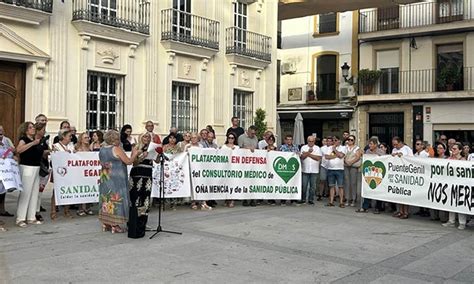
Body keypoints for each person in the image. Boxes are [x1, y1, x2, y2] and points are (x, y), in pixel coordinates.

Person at [98, 130, 139, 233]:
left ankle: (106, 223)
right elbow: (128, 161)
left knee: (106, 198)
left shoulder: (102, 149)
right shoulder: (116, 149)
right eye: (117, 138)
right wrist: (135, 154)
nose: (119, 140)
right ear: (113, 139)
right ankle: (115, 225)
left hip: (105, 177)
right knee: (116, 199)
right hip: (116, 178)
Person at [15, 122, 46, 227]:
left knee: (34, 193)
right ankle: (20, 218)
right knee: (26, 193)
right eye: (31, 128)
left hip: (36, 168)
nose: (33, 129)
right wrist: (33, 144)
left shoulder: (35, 140)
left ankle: (31, 217)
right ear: (26, 130)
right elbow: (18, 150)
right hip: (27, 167)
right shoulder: (24, 140)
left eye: (33, 127)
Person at [128, 133, 155, 238]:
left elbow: (156, 161)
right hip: (137, 175)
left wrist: (156, 154)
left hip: (147, 174)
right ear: (140, 138)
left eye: (148, 137)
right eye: (144, 136)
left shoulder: (151, 148)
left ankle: (142, 223)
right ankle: (133, 221)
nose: (146, 139)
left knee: (145, 199)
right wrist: (140, 157)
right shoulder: (136, 148)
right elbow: (133, 163)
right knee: (135, 198)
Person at [51, 129, 76, 220]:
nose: (71, 137)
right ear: (63, 136)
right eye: (69, 136)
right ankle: (53, 211)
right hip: (59, 171)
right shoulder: (56, 146)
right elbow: (54, 158)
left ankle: (67, 211)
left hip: (70, 171)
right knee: (56, 191)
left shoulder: (71, 145)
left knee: (68, 190)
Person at [442, 143, 468, 230]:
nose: (453, 150)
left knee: (460, 203)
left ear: (460, 150)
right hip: (451, 184)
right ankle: (451, 221)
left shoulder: (463, 160)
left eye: (455, 149)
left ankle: (462, 222)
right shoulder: (449, 159)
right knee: (451, 202)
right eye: (452, 149)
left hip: (460, 185)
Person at [357, 137, 385, 214]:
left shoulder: (381, 152)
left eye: (371, 144)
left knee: (378, 191)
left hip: (378, 174)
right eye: (369, 144)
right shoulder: (368, 151)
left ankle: (378, 207)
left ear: (376, 144)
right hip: (369, 174)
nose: (370, 145)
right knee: (367, 190)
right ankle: (365, 206)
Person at [184, 133, 212, 210]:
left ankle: (203, 203)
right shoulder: (187, 146)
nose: (193, 139)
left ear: (198, 139)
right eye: (192, 138)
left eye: (195, 138)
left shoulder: (201, 146)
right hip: (191, 168)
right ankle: (193, 202)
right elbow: (184, 156)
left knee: (200, 184)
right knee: (192, 185)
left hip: (199, 168)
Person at [391, 136, 413, 219]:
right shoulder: (394, 150)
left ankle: (406, 212)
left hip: (406, 173)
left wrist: (403, 156)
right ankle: (400, 211)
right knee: (398, 193)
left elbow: (412, 159)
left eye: (396, 144)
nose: (395, 146)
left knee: (405, 193)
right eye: (393, 145)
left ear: (400, 143)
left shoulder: (407, 149)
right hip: (397, 173)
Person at [0, 125, 16, 231]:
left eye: (1, 133)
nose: (1, 135)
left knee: (1, 195)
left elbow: (11, 153)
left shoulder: (4, 143)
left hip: (3, 175)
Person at [239, 126, 259, 207]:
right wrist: (247, 148)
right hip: (244, 162)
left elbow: (257, 148)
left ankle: (253, 199)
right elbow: (239, 148)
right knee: (245, 181)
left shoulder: (255, 138)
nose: (253, 135)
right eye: (252, 133)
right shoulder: (241, 137)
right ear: (248, 131)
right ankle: (245, 199)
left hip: (254, 163)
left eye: (254, 133)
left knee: (253, 180)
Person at [75, 132, 94, 216]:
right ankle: (80, 208)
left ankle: (87, 207)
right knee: (81, 189)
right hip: (80, 172)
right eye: (85, 138)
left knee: (89, 188)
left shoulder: (90, 148)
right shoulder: (77, 148)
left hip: (88, 172)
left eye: (88, 137)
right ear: (81, 139)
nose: (87, 139)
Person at [324, 136, 347, 208]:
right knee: (331, 186)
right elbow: (327, 157)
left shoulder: (343, 148)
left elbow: (341, 155)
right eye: (333, 140)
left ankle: (341, 202)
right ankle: (331, 201)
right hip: (330, 169)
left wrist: (335, 150)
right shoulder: (329, 148)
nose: (334, 142)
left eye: (336, 140)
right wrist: (336, 155)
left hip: (340, 169)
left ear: (339, 141)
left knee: (340, 186)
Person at [300, 135, 322, 205]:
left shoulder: (317, 148)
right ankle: (303, 199)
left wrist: (308, 154)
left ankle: (311, 199)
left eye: (312, 141)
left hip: (314, 170)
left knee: (313, 186)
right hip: (305, 169)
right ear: (307, 141)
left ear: (314, 141)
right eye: (310, 141)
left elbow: (318, 158)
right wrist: (309, 153)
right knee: (304, 185)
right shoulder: (303, 147)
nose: (311, 143)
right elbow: (302, 157)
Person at [34, 124, 50, 222]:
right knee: (35, 192)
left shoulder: (44, 141)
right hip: (37, 167)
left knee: (39, 192)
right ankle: (34, 211)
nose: (44, 132)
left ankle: (37, 210)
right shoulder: (34, 141)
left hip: (44, 167)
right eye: (43, 130)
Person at [279, 134, 300, 206]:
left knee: (293, 184)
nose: (289, 141)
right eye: (287, 139)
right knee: (284, 184)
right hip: (284, 168)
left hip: (293, 168)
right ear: (285, 140)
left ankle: (293, 199)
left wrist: (298, 154)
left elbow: (298, 156)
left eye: (290, 139)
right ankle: (283, 200)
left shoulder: (296, 147)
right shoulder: (282, 147)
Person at [343, 135, 362, 207]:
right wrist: (346, 161)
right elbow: (343, 155)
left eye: (351, 140)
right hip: (346, 165)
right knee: (347, 182)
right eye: (349, 139)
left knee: (353, 183)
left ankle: (353, 199)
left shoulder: (357, 148)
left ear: (354, 141)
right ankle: (347, 198)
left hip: (353, 166)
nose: (350, 141)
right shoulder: (345, 147)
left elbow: (358, 156)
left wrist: (351, 162)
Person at [318, 136, 332, 201]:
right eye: (327, 141)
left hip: (331, 167)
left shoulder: (333, 148)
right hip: (323, 166)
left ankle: (331, 195)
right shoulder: (322, 148)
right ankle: (320, 194)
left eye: (330, 141)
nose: (328, 142)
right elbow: (320, 157)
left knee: (331, 182)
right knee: (322, 180)